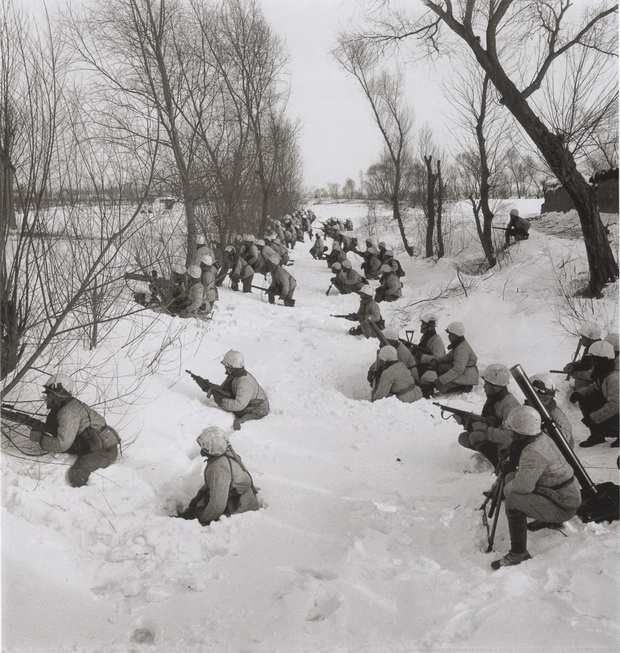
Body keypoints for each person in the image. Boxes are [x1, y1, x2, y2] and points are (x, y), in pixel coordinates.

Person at [491, 406, 581, 569]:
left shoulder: (534, 451)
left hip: (564, 505)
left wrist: (504, 491)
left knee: (513, 500)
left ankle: (519, 553)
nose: (510, 433)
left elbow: (523, 487)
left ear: (521, 433)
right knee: (511, 478)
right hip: (561, 494)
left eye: (512, 430)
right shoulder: (538, 438)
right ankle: (546, 518)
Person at [28, 373, 120, 487]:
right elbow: (57, 429)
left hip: (105, 451)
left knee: (76, 474)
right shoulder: (64, 407)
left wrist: (40, 439)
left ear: (59, 395)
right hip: (94, 444)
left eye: (50, 394)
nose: (46, 397)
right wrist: (40, 427)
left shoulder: (68, 411)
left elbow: (62, 444)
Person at [177, 426, 259, 524]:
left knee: (203, 511)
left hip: (240, 505)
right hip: (235, 492)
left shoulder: (218, 469)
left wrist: (201, 517)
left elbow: (216, 506)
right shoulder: (225, 451)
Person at [457, 364, 521, 468]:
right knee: (464, 438)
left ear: (494, 387)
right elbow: (489, 420)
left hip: (510, 446)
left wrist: (485, 430)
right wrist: (465, 421)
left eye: (486, 384)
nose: (484, 387)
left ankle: (498, 462)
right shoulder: (495, 398)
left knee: (475, 437)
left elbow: (508, 436)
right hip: (499, 438)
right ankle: (489, 454)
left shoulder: (509, 405)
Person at [570, 340, 619, 448]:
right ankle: (597, 436)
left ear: (602, 360)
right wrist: (579, 393)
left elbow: (615, 405)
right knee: (586, 398)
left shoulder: (615, 377)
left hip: (617, 411)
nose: (592, 362)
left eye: (594, 359)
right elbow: (596, 387)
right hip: (615, 411)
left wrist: (593, 418)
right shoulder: (605, 371)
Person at [211, 350, 270, 430]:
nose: (225, 369)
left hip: (258, 408)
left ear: (231, 367)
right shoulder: (233, 375)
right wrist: (211, 387)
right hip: (247, 403)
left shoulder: (244, 381)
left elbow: (239, 405)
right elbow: (223, 389)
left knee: (237, 422)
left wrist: (222, 401)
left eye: (226, 367)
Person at [420, 322, 479, 396]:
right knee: (441, 366)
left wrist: (440, 381)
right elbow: (449, 356)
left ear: (455, 335)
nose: (448, 336)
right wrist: (436, 361)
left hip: (467, 376)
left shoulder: (462, 349)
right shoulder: (458, 344)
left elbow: (457, 370)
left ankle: (463, 386)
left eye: (450, 334)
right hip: (464, 372)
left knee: (441, 388)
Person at [527, 374, 574, 449]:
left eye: (546, 399)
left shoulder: (558, 420)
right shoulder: (532, 409)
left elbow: (562, 445)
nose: (546, 402)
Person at [562, 322, 602, 390]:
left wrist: (576, 374)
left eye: (583, 337)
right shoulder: (590, 348)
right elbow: (585, 364)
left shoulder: (600, 351)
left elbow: (593, 374)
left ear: (589, 338)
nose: (581, 339)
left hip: (594, 390)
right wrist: (573, 365)